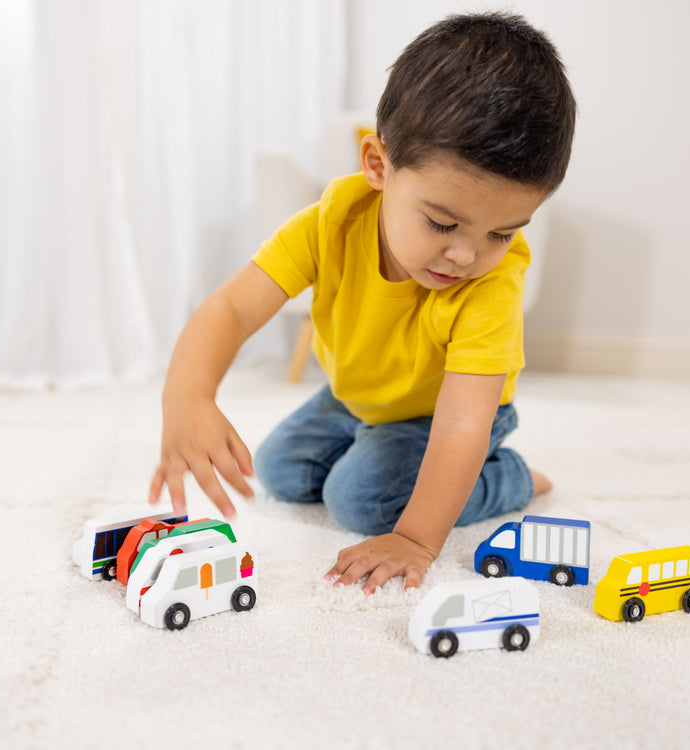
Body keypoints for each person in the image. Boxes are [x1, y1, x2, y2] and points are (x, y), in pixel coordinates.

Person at [149, 12, 576, 594]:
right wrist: (188, 393)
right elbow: (232, 308)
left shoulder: (492, 284)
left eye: (500, 233)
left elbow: (462, 421)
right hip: (358, 394)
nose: (465, 255)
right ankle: (382, 449)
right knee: (280, 471)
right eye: (442, 222)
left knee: (361, 500)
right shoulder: (331, 223)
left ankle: (509, 478)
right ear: (378, 166)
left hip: (447, 413)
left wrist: (417, 540)